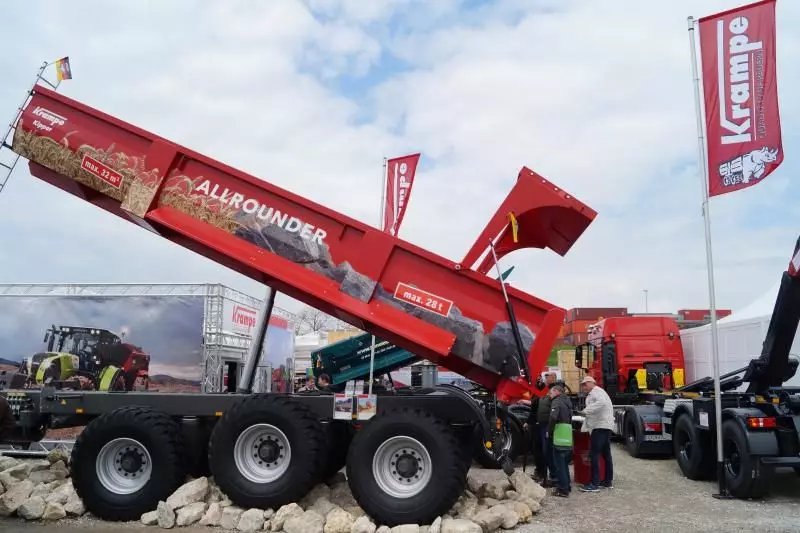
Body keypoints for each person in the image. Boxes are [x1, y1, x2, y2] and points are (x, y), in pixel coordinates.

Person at [577, 375, 615, 491]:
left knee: (595, 454)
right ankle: (607, 482)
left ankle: (595, 484)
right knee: (606, 454)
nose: (583, 387)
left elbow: (601, 403)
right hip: (605, 425)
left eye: (584, 384)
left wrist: (585, 411)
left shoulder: (595, 392)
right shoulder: (599, 391)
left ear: (590, 383)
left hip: (599, 426)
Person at [548, 383, 573, 497]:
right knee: (564, 462)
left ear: (557, 392)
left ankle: (563, 490)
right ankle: (567, 485)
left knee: (559, 463)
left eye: (551, 392)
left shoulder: (557, 401)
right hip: (567, 433)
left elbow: (553, 417)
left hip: (558, 434)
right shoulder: (567, 401)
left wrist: (550, 430)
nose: (550, 395)